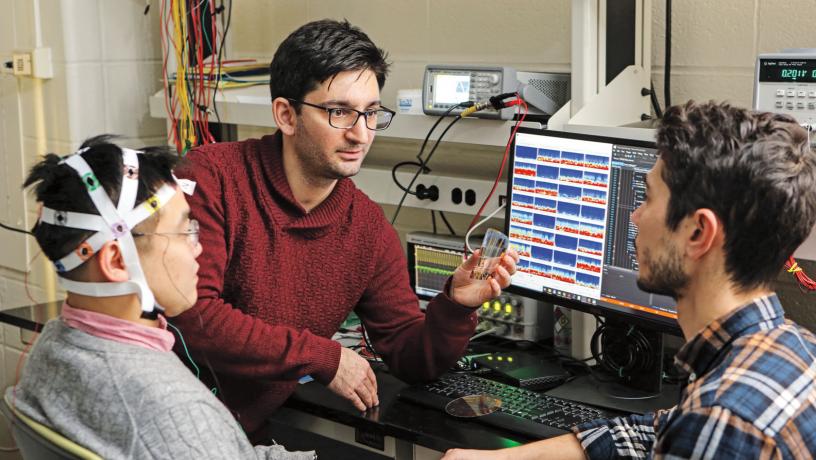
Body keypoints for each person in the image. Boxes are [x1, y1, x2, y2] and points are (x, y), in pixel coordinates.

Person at [171, 18, 519, 437]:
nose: (360, 134)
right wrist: (321, 356)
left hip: (236, 433)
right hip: (167, 418)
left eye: (371, 114)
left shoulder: (367, 228)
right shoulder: (210, 178)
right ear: (286, 114)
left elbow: (411, 357)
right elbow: (192, 315)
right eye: (340, 112)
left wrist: (457, 306)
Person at [442, 101, 816, 459]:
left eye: (648, 198)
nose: (635, 216)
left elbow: (698, 429)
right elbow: (656, 430)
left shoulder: (721, 424)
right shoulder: (792, 352)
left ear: (699, 233)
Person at [10, 136, 314, 459]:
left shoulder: (50, 348)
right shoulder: (175, 411)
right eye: (185, 232)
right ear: (116, 260)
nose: (198, 247)